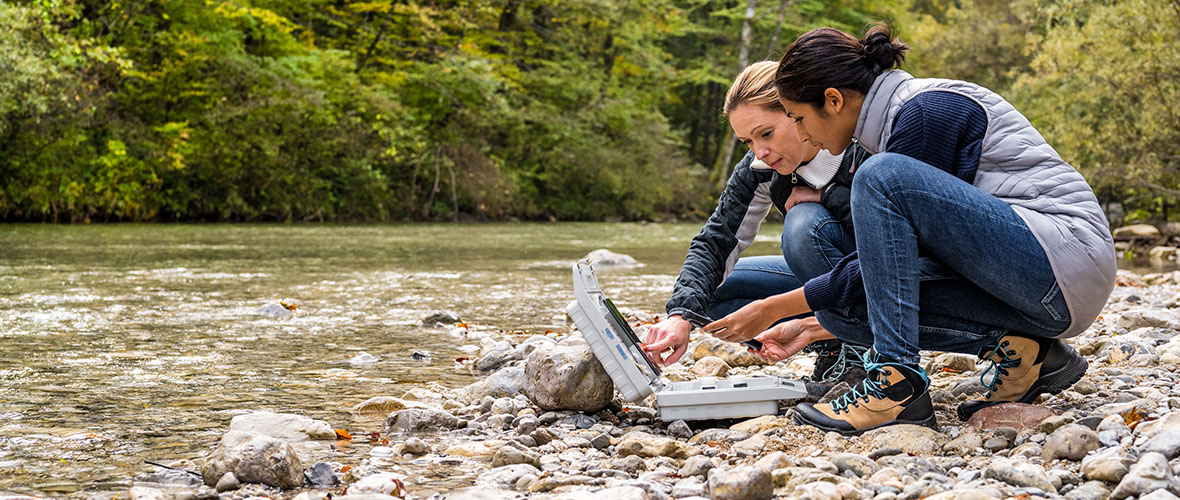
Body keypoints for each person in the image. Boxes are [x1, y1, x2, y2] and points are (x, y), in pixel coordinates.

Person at [703, 26, 1116, 435]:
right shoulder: (889, 124)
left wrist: (778, 307)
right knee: (843, 308)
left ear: (833, 100)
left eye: (798, 118)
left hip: (1060, 265)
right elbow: (891, 270)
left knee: (880, 178)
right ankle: (1030, 356)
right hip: (1040, 287)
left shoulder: (924, 111)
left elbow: (884, 265)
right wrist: (815, 321)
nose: (803, 133)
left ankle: (896, 385)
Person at [641, 61, 870, 386]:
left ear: (796, 111)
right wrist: (680, 316)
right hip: (826, 282)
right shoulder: (761, 166)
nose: (759, 152)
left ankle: (860, 347)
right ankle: (832, 345)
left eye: (766, 133)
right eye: (747, 141)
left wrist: (826, 196)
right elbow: (715, 242)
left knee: (804, 225)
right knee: (712, 295)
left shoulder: (860, 145)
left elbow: (894, 238)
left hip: (881, 276)